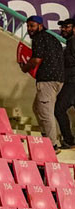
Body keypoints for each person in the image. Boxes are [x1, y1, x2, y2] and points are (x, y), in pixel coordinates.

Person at [20, 15, 65, 149]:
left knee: (45, 111)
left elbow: (36, 60)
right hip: (57, 79)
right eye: (28, 26)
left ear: (40, 25)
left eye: (32, 26)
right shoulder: (52, 38)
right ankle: (46, 136)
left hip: (48, 80)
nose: (29, 29)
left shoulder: (39, 38)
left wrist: (24, 67)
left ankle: (52, 144)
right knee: (38, 108)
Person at [55, 18, 75, 149]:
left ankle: (69, 140)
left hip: (72, 82)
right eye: (62, 27)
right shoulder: (70, 43)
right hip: (71, 81)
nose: (63, 29)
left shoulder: (73, 42)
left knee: (59, 109)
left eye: (67, 26)